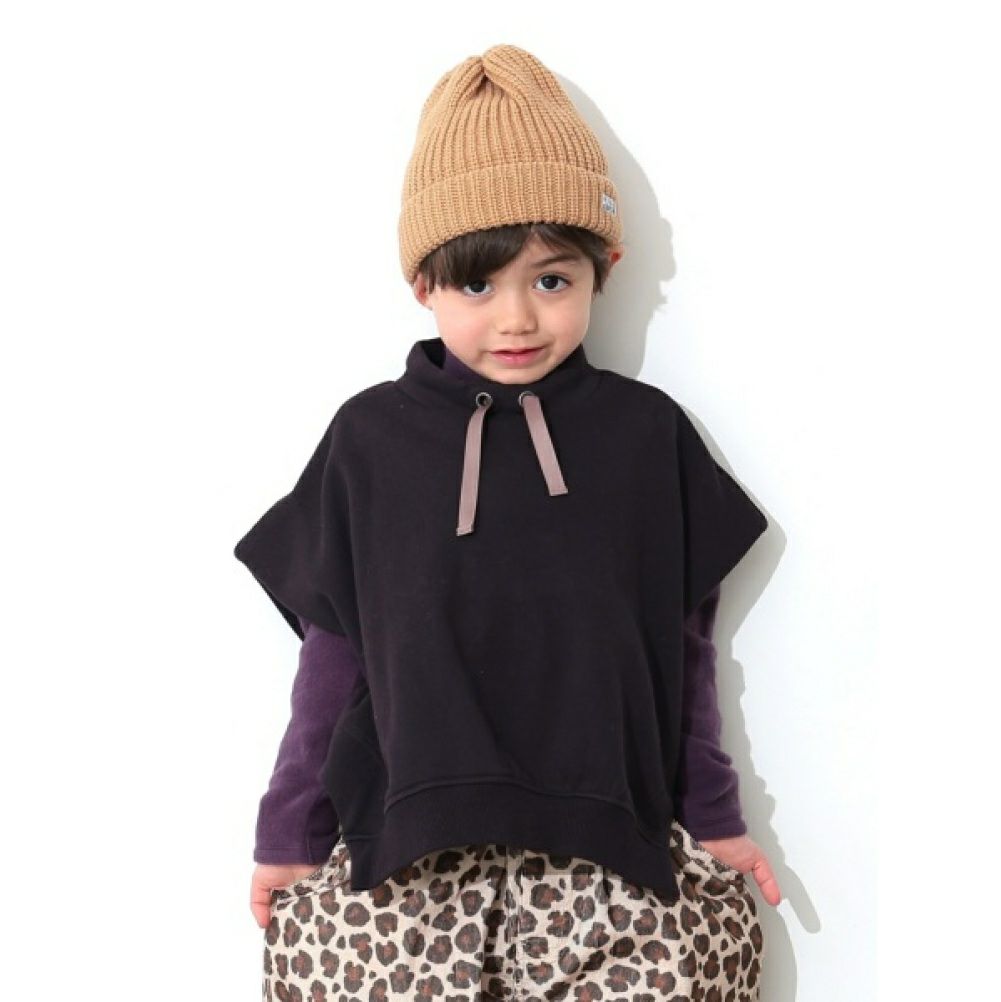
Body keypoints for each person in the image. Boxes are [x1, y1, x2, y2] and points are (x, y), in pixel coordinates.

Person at [234, 43, 779, 1002]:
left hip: (608, 858)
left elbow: (684, 653)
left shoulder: (645, 438)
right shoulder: (370, 441)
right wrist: (289, 831)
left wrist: (717, 815)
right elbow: (333, 657)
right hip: (407, 860)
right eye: (478, 285)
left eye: (552, 280)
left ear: (604, 268)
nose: (518, 318)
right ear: (423, 285)